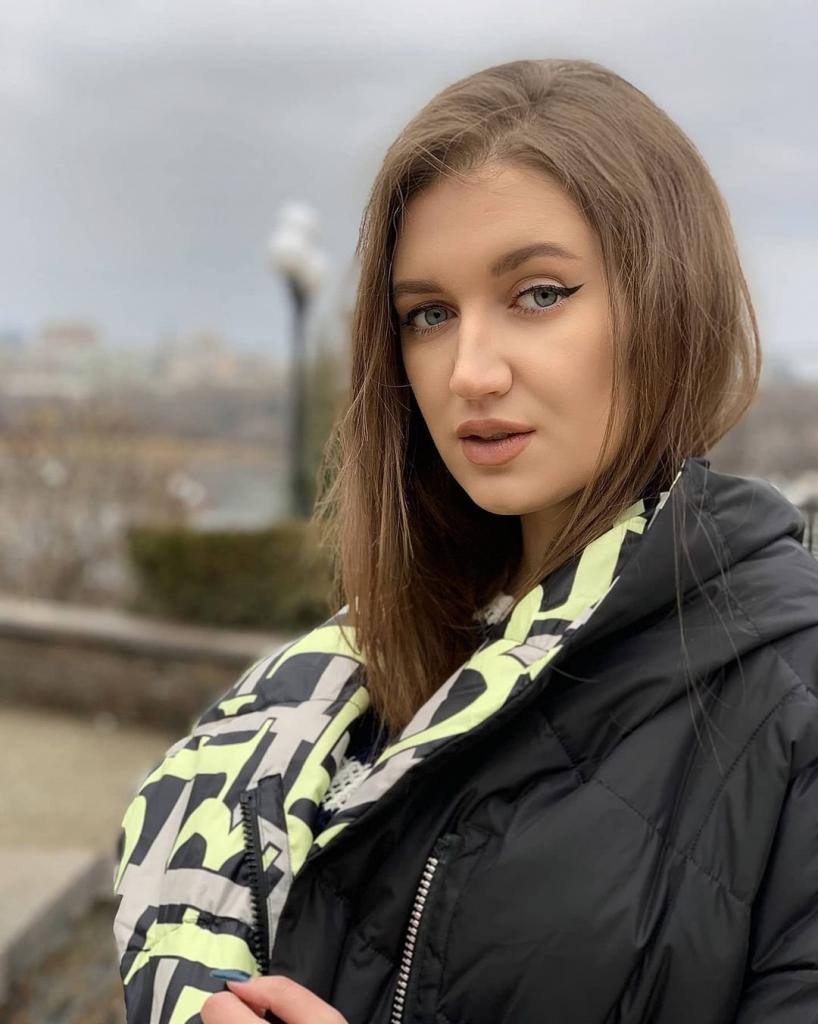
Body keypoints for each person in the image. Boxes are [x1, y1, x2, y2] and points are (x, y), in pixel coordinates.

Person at [112, 57, 818, 1024]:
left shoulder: (792, 705)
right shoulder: (345, 678)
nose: (467, 373)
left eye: (539, 293)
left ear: (669, 302)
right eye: (429, 315)